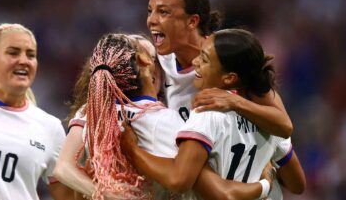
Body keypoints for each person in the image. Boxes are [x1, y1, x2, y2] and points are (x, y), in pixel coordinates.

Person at [54, 33, 277, 200]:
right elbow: (214, 189)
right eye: (156, 58)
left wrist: (106, 194)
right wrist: (265, 182)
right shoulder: (166, 121)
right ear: (144, 63)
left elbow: (63, 169)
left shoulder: (92, 110)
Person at [120, 29, 306, 199]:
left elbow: (179, 180)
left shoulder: (206, 113)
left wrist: (132, 150)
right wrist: (268, 176)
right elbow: (297, 185)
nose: (195, 62)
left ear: (230, 77)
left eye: (205, 59)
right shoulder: (269, 121)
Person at [148, 0, 293, 138]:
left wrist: (234, 101)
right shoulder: (154, 63)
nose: (151, 20)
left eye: (163, 12)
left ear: (192, 21)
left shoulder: (228, 54)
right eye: (150, 11)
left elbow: (284, 126)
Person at [0, 23, 73, 200]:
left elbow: (67, 197)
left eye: (31, 55)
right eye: (13, 52)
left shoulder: (50, 128)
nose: (24, 60)